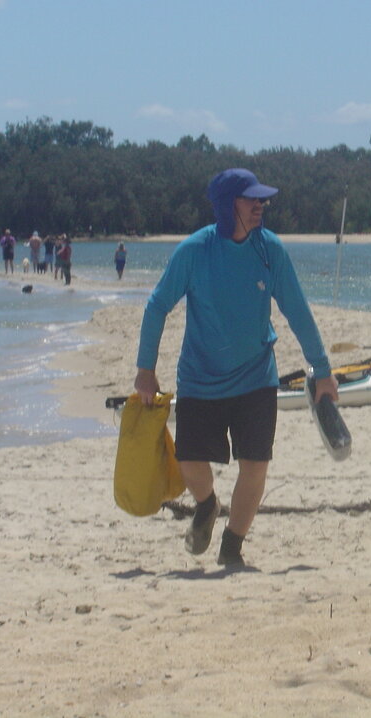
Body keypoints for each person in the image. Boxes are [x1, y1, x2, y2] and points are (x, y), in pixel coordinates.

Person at [134, 168, 338, 568]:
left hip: (255, 377)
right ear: (229, 206)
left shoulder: (270, 250)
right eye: (251, 200)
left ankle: (233, 547)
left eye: (262, 199)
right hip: (199, 378)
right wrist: (145, 368)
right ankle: (207, 505)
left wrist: (323, 368)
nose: (260, 205)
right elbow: (158, 305)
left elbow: (296, 309)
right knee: (190, 461)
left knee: (256, 466)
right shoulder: (195, 251)